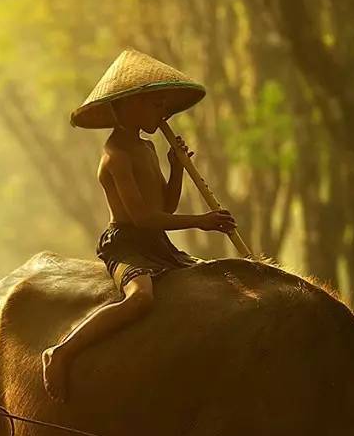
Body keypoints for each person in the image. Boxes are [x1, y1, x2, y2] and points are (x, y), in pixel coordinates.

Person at [41, 50, 237, 402]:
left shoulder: (146, 148)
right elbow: (142, 219)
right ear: (127, 106)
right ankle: (63, 351)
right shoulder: (115, 155)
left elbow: (165, 206)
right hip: (127, 244)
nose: (162, 113)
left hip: (156, 243)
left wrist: (176, 166)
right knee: (141, 299)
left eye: (164, 106)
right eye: (154, 104)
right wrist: (202, 223)